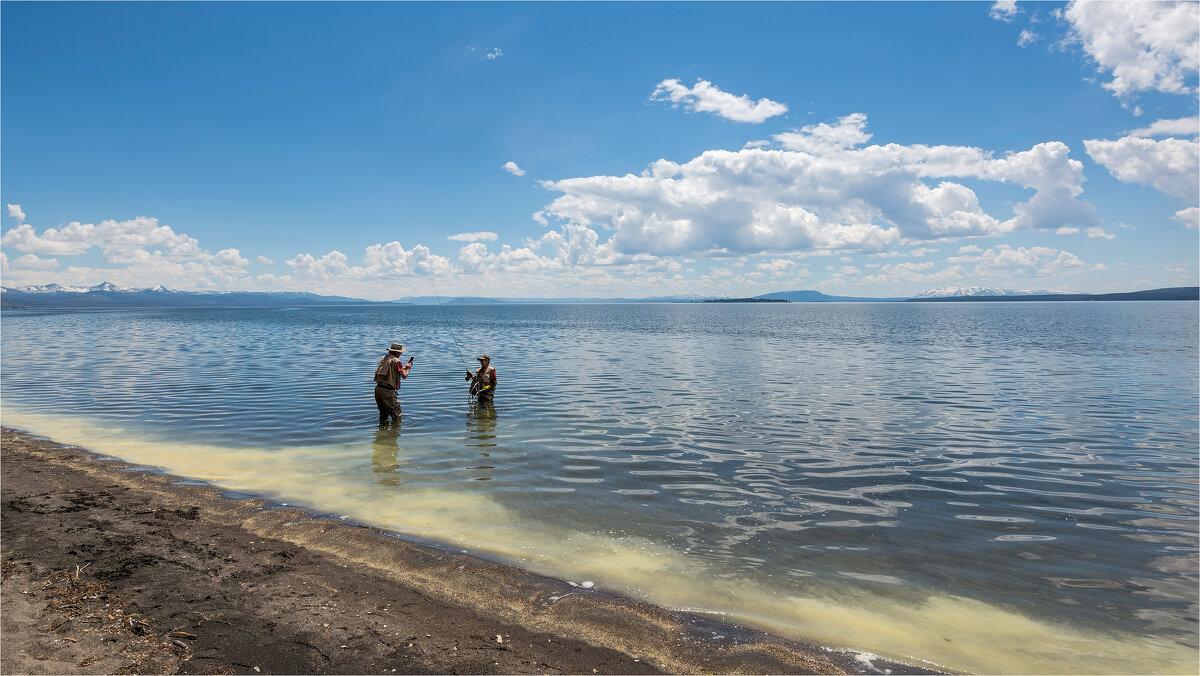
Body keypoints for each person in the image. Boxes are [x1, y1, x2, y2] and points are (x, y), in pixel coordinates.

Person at [374, 342, 413, 425]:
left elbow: (391, 370)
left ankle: (382, 434)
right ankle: (394, 434)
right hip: (388, 392)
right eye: (400, 353)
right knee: (397, 415)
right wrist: (408, 368)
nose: (400, 355)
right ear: (397, 352)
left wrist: (403, 368)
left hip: (378, 390)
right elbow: (404, 376)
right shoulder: (397, 361)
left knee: (383, 414)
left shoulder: (384, 358)